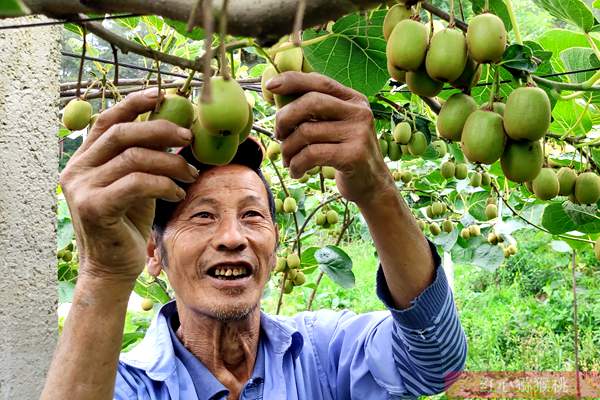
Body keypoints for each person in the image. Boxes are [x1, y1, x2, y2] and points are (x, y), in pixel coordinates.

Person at [41, 72, 467, 400]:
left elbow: (437, 363)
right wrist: (105, 271)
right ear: (155, 252)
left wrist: (377, 192)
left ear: (275, 243)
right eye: (204, 216)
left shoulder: (323, 353)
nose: (232, 237)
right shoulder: (126, 386)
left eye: (252, 215)